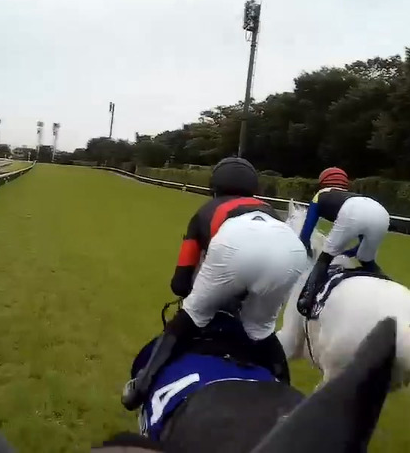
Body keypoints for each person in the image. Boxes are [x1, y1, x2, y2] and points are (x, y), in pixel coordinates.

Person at [121, 157, 307, 410]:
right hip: (292, 250)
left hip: (234, 243)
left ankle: (140, 387)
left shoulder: (205, 211)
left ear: (214, 186)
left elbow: (180, 283)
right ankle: (285, 392)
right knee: (261, 328)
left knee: (191, 314)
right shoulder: (270, 210)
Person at [295, 167, 390, 319]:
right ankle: (389, 285)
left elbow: (307, 231)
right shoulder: (354, 196)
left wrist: (307, 249)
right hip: (382, 213)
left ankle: (307, 299)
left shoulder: (320, 195)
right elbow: (361, 243)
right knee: (366, 259)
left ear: (322, 183)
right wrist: (347, 253)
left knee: (324, 259)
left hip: (352, 211)